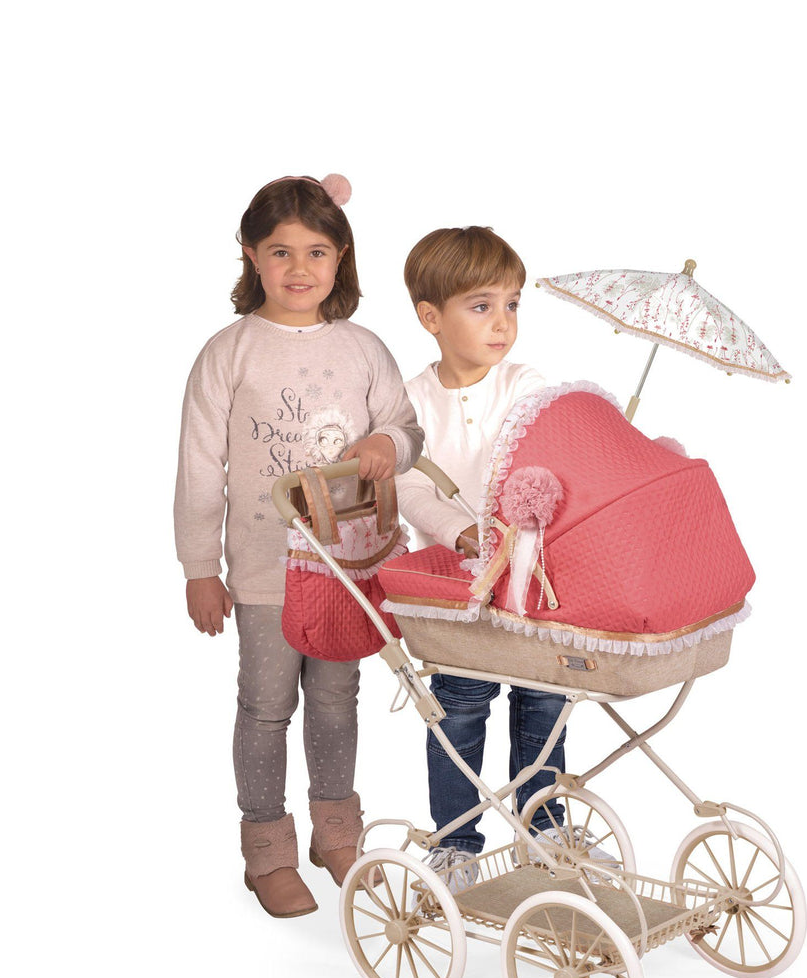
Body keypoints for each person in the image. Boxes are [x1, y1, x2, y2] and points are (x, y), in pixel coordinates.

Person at [174, 174, 423, 918]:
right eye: (280, 251)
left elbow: (408, 430)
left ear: (341, 257)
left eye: (316, 251)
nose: (299, 268)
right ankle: (267, 851)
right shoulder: (229, 353)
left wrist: (387, 443)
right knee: (266, 706)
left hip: (347, 568)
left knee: (337, 701)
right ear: (251, 255)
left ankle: (335, 835)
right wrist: (199, 569)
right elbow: (198, 465)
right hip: (263, 571)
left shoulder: (364, 349)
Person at [396, 226, 595, 892]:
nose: (503, 322)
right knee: (459, 706)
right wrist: (461, 533)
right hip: (455, 588)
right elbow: (409, 487)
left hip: (532, 575)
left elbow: (548, 453)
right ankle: (456, 842)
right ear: (431, 317)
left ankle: (544, 828)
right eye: (481, 306)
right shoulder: (410, 402)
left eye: (512, 304)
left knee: (545, 699)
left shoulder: (525, 384)